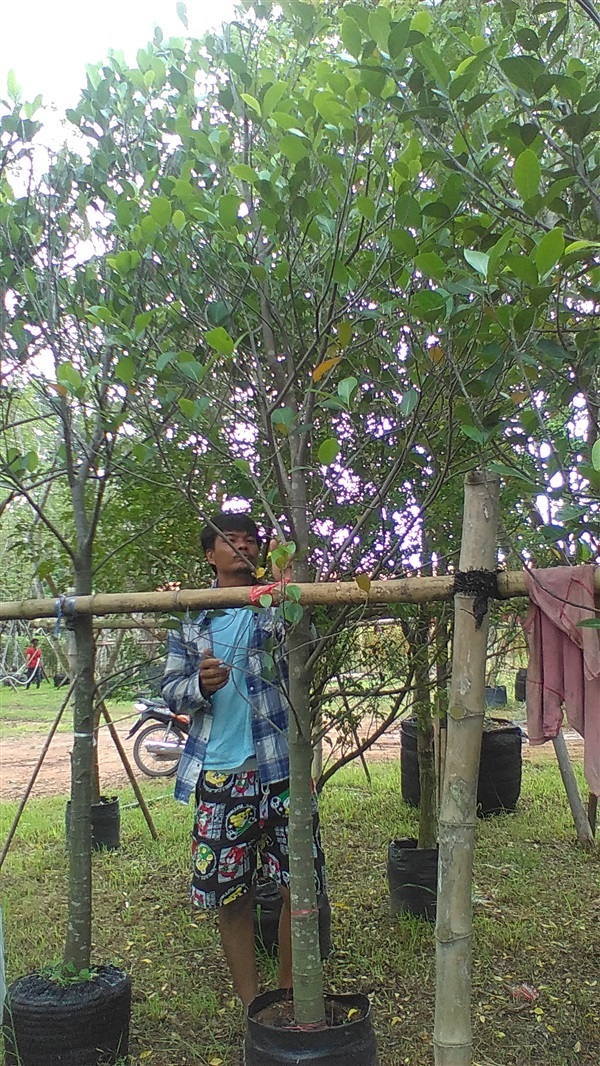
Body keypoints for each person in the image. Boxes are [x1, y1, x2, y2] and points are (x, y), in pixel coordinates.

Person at [161, 512, 326, 1008]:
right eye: (229, 542)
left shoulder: (277, 606)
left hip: (280, 773)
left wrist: (287, 578)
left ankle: (287, 994)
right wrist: (198, 685)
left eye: (250, 541)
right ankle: (253, 1005)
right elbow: (172, 690)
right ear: (210, 555)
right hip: (220, 775)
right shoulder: (193, 618)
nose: (242, 548)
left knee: (301, 887)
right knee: (230, 895)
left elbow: (307, 646)